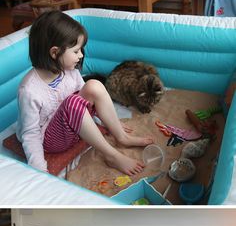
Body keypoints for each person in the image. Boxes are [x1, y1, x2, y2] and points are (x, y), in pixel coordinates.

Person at [16, 10, 152, 175]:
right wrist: (40, 171)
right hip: (51, 140)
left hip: (72, 126)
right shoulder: (29, 90)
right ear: (54, 52)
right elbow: (30, 134)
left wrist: (107, 121)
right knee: (72, 103)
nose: (80, 55)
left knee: (93, 85)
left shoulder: (67, 69)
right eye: (75, 51)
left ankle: (121, 136)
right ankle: (112, 156)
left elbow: (86, 100)